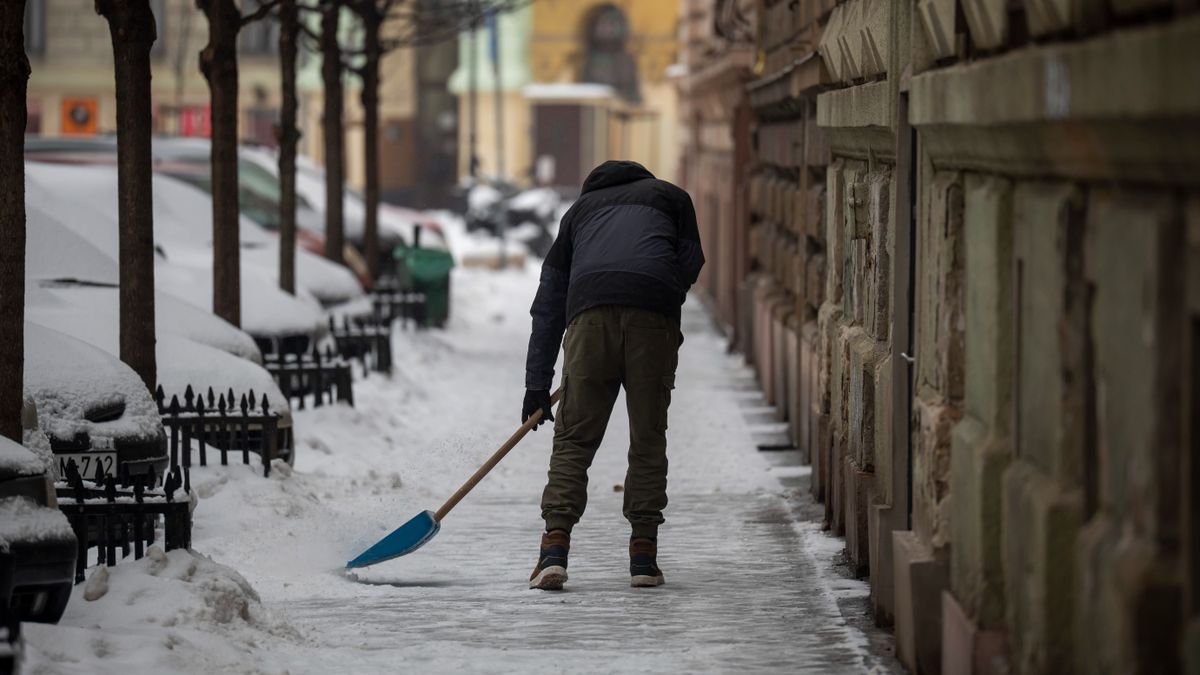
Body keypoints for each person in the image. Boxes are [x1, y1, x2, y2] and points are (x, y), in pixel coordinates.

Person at [521, 160, 704, 591]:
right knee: (647, 436)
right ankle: (643, 556)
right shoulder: (672, 198)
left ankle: (554, 552)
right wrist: (655, 291)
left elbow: (549, 299)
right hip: (652, 322)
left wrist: (536, 383)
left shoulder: (579, 213)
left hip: (589, 322)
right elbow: (691, 261)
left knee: (574, 439)